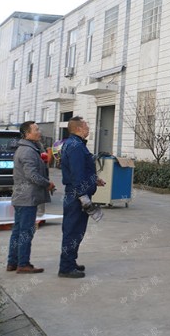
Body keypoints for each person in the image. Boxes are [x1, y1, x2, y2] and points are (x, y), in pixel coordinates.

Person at [58, 116, 105, 278]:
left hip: (77, 192)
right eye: (86, 126)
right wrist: (83, 197)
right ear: (78, 128)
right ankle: (66, 267)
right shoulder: (76, 146)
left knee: (76, 230)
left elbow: (81, 170)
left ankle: (70, 261)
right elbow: (76, 174)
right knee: (73, 230)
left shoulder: (75, 144)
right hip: (76, 195)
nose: (88, 129)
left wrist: (94, 179)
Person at [6, 121, 55, 274]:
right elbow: (32, 175)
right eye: (36, 129)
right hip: (27, 198)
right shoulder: (28, 151)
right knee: (26, 231)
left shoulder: (27, 148)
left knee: (18, 230)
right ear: (27, 134)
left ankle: (13, 262)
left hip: (22, 197)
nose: (39, 132)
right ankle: (23, 264)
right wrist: (47, 184)